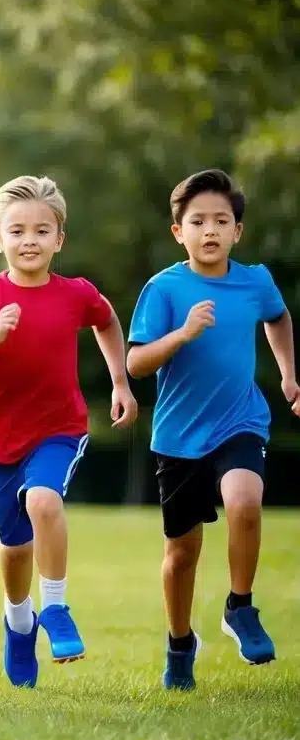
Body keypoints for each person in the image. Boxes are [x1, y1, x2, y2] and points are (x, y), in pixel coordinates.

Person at [0, 175, 137, 688]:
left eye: (42, 230)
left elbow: (107, 320)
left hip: (59, 428)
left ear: (59, 239)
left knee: (44, 501)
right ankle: (19, 622)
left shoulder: (76, 294)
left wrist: (119, 381)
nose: (30, 240)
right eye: (18, 230)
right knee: (14, 545)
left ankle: (56, 608)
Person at [127, 168, 298, 691]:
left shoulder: (255, 281)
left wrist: (290, 374)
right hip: (178, 437)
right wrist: (182, 333)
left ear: (237, 231)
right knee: (182, 554)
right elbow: (136, 364)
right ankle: (180, 645)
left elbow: (278, 317)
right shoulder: (164, 288)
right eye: (197, 221)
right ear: (178, 231)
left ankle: (240, 606)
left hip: (240, 420)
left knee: (246, 501)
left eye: (221, 220)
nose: (210, 230)